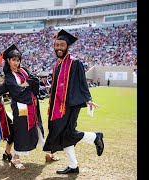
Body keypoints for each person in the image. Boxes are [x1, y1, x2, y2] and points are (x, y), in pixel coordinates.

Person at [42, 29, 103, 174]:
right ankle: (73, 166)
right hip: (57, 106)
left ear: (67, 46)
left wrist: (88, 99)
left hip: (71, 105)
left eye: (62, 45)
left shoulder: (75, 63)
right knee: (64, 135)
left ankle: (95, 137)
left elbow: (82, 83)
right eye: (57, 45)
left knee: (68, 133)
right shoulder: (56, 64)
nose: (59, 48)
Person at [1, 44, 58, 170]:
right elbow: (17, 92)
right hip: (21, 108)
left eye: (18, 60)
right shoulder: (9, 76)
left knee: (37, 128)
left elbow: (34, 80)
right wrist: (26, 86)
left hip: (32, 105)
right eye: (13, 60)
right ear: (8, 61)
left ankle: (49, 152)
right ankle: (16, 158)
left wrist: (23, 85)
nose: (16, 63)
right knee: (21, 132)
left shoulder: (24, 70)